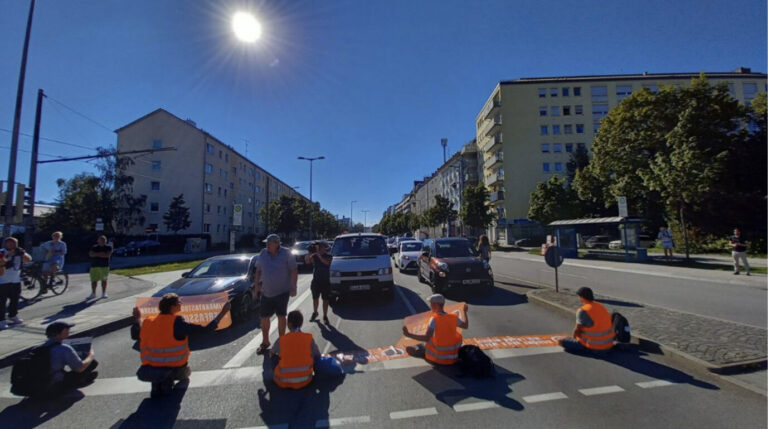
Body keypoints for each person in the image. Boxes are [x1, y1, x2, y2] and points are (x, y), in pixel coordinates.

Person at [131, 293, 231, 397]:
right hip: (174, 367)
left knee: (161, 371)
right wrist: (223, 312)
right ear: (172, 307)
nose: (181, 304)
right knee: (187, 374)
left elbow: (135, 335)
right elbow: (205, 329)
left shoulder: (148, 321)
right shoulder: (177, 323)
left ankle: (157, 382)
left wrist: (137, 318)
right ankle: (167, 379)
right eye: (179, 302)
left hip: (148, 368)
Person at [253, 234, 298, 355]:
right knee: (264, 318)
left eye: (269, 243)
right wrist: (256, 286)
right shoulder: (263, 253)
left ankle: (282, 342)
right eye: (266, 243)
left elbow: (294, 270)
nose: (267, 245)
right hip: (266, 292)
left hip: (282, 291)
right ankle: (265, 341)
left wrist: (294, 287)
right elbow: (258, 270)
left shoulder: (286, 253)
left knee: (281, 316)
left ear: (277, 243)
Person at [402, 294, 468, 365]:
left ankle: (418, 353)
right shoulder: (453, 317)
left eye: (431, 304)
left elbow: (426, 338)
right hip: (453, 358)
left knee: (415, 348)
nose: (430, 306)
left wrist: (409, 335)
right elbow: (465, 326)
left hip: (438, 358)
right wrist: (464, 312)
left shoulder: (434, 319)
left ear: (435, 305)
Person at [44, 321, 99, 394]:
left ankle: (83, 378)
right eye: (66, 330)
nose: (68, 332)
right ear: (59, 334)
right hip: (56, 383)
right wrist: (91, 355)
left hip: (42, 380)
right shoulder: (64, 348)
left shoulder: (43, 346)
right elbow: (79, 368)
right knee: (92, 363)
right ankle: (80, 380)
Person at [270, 310, 320, 389]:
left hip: (282, 381)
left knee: (273, 358)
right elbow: (317, 355)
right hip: (306, 380)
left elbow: (271, 353)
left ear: (289, 324)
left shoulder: (282, 339)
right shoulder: (308, 338)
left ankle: (277, 375)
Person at [558, 287, 615, 354]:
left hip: (594, 347)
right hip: (609, 345)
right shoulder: (600, 306)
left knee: (560, 341)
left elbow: (577, 330)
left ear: (582, 297)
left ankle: (583, 350)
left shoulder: (583, 311)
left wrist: (574, 339)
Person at [0, 237, 32, 329]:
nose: (13, 246)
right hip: (2, 281)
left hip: (15, 280)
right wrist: (8, 255)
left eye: (15, 243)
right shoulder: (1, 252)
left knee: (15, 299)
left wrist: (22, 254)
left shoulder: (19, 252)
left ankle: (13, 315)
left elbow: (28, 259)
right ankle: (1, 320)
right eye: (11, 244)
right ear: (6, 244)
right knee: (2, 302)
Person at [305, 241, 332, 324]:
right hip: (316, 281)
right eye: (319, 247)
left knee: (325, 299)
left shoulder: (329, 256)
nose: (320, 248)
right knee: (315, 298)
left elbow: (327, 263)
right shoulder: (314, 256)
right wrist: (310, 252)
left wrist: (318, 254)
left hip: (325, 281)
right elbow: (307, 261)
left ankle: (325, 316)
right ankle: (315, 312)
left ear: (325, 247)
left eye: (321, 247)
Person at [87, 235, 113, 300]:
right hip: (94, 266)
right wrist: (101, 254)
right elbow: (91, 254)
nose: (102, 241)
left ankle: (104, 293)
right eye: (100, 240)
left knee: (104, 280)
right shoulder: (94, 247)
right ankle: (93, 293)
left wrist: (96, 254)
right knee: (94, 281)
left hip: (104, 266)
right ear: (98, 240)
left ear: (105, 241)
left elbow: (107, 255)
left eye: (103, 240)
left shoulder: (108, 247)